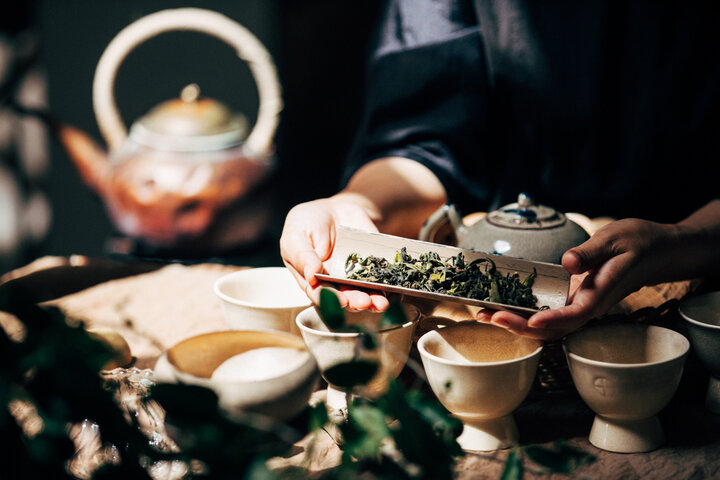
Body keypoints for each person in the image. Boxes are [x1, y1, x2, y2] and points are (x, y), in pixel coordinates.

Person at [280, 0, 720, 340]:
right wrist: (356, 206)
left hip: (691, 301)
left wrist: (680, 242)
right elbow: (424, 141)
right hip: (487, 294)